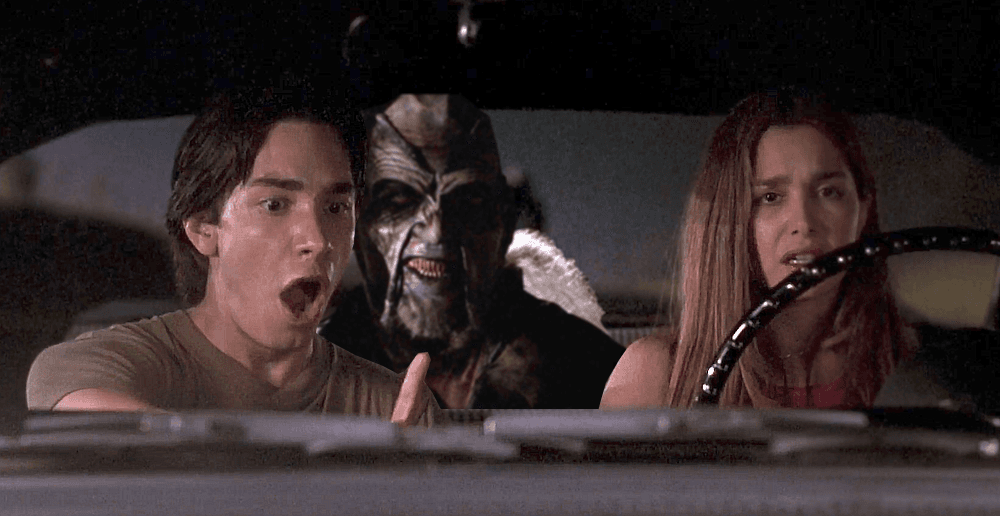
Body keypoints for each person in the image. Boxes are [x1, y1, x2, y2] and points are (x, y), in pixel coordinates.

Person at [26, 86, 436, 426]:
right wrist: (369, 467)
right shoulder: (97, 367)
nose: (317, 239)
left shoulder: (392, 405)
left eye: (335, 208)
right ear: (204, 228)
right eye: (275, 205)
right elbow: (102, 419)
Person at [601, 88, 916, 409]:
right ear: (728, 220)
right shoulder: (654, 376)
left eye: (828, 192)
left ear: (863, 210)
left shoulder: (916, 365)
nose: (803, 222)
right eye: (770, 197)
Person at [319, 94, 624, 409]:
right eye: (400, 201)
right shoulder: (312, 365)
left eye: (466, 202)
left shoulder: (586, 364)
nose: (438, 232)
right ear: (358, 226)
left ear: (500, 228)